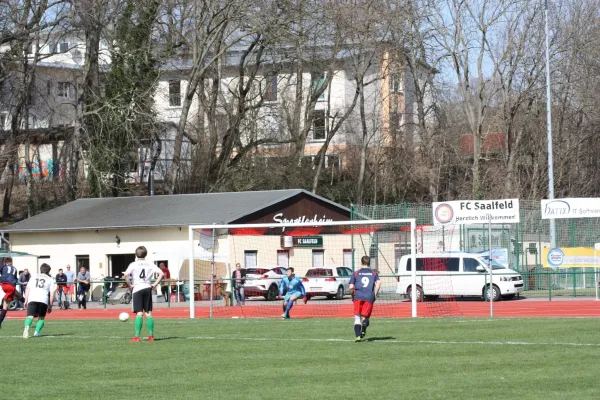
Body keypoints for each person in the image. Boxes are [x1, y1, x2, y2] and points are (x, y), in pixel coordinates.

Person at [125, 246, 164, 342]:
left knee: (139, 313)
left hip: (137, 288)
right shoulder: (150, 264)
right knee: (148, 313)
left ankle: (137, 337)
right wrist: (154, 284)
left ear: (136, 254)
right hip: (147, 288)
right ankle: (151, 336)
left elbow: (126, 275)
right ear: (146, 254)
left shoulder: (133, 264)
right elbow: (161, 274)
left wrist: (130, 285)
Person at [349, 255, 381, 342]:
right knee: (365, 318)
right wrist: (374, 293)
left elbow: (351, 287)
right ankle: (364, 327)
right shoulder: (373, 273)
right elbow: (378, 282)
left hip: (358, 296)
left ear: (361, 262)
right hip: (369, 296)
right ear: (369, 263)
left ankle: (357, 336)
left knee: (357, 317)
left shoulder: (356, 273)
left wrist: (352, 296)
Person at [23, 263, 55, 338]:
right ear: (48, 271)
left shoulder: (33, 277)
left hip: (32, 298)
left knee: (30, 316)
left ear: (40, 270)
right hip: (43, 299)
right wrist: (50, 305)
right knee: (41, 317)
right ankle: (36, 332)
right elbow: (52, 293)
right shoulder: (50, 279)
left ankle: (26, 328)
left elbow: (27, 288)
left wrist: (26, 300)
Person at [0, 257, 24, 328]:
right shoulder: (14, 268)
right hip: (11, 286)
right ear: (11, 262)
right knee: (18, 296)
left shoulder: (3, 266)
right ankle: (30, 305)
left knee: (5, 306)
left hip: (4, 285)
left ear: (5, 262)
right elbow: (15, 279)